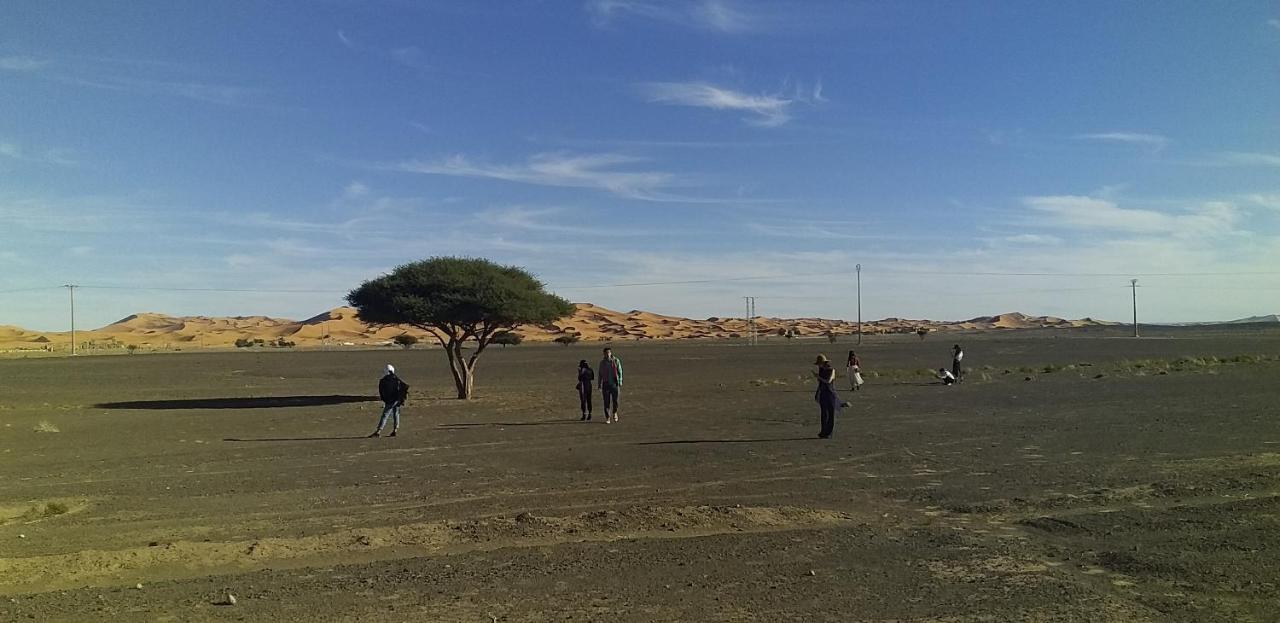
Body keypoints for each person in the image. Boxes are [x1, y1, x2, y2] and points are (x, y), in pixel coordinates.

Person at [813, 354, 848, 439]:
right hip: (823, 393)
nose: (819, 365)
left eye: (819, 364)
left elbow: (828, 381)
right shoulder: (821, 370)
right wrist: (817, 394)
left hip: (830, 393)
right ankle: (823, 432)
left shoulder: (831, 370)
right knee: (824, 414)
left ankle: (829, 433)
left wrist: (818, 377)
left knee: (831, 413)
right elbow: (820, 384)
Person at [370, 364, 409, 438]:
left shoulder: (384, 381)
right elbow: (404, 387)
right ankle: (395, 429)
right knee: (396, 414)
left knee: (385, 415)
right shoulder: (396, 379)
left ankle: (378, 431)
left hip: (390, 401)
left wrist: (386, 400)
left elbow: (382, 392)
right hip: (397, 400)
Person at [598, 347, 623, 424]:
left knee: (615, 401)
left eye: (609, 352)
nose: (607, 354)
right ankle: (608, 417)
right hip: (606, 384)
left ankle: (615, 412)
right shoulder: (602, 363)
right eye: (606, 353)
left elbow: (620, 371)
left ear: (611, 353)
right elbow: (600, 374)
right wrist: (599, 384)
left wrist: (620, 381)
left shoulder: (615, 361)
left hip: (614, 384)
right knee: (606, 402)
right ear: (604, 354)